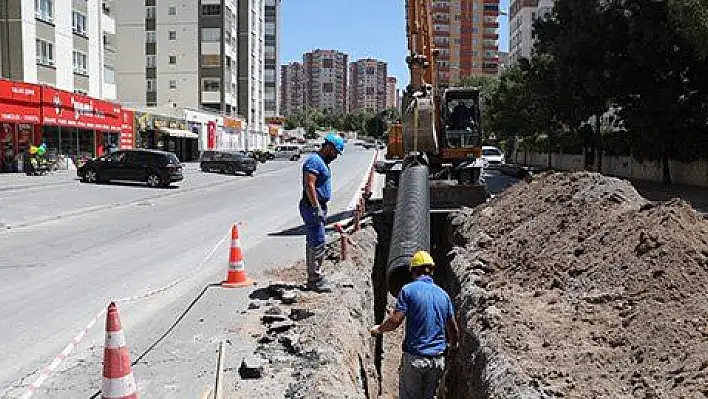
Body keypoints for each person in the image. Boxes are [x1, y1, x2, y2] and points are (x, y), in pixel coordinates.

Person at [370, 250, 460, 399]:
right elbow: (453, 329)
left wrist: (379, 329)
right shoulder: (443, 295)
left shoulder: (408, 290)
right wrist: (453, 347)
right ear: (431, 271)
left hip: (415, 359)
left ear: (413, 271)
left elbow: (394, 321)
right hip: (437, 361)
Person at [299, 133, 345, 293]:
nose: (336, 156)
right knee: (317, 242)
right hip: (312, 207)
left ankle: (315, 275)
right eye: (335, 152)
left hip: (317, 205)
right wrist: (316, 207)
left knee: (315, 241)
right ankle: (314, 280)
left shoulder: (321, 162)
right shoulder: (314, 161)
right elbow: (309, 185)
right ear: (329, 147)